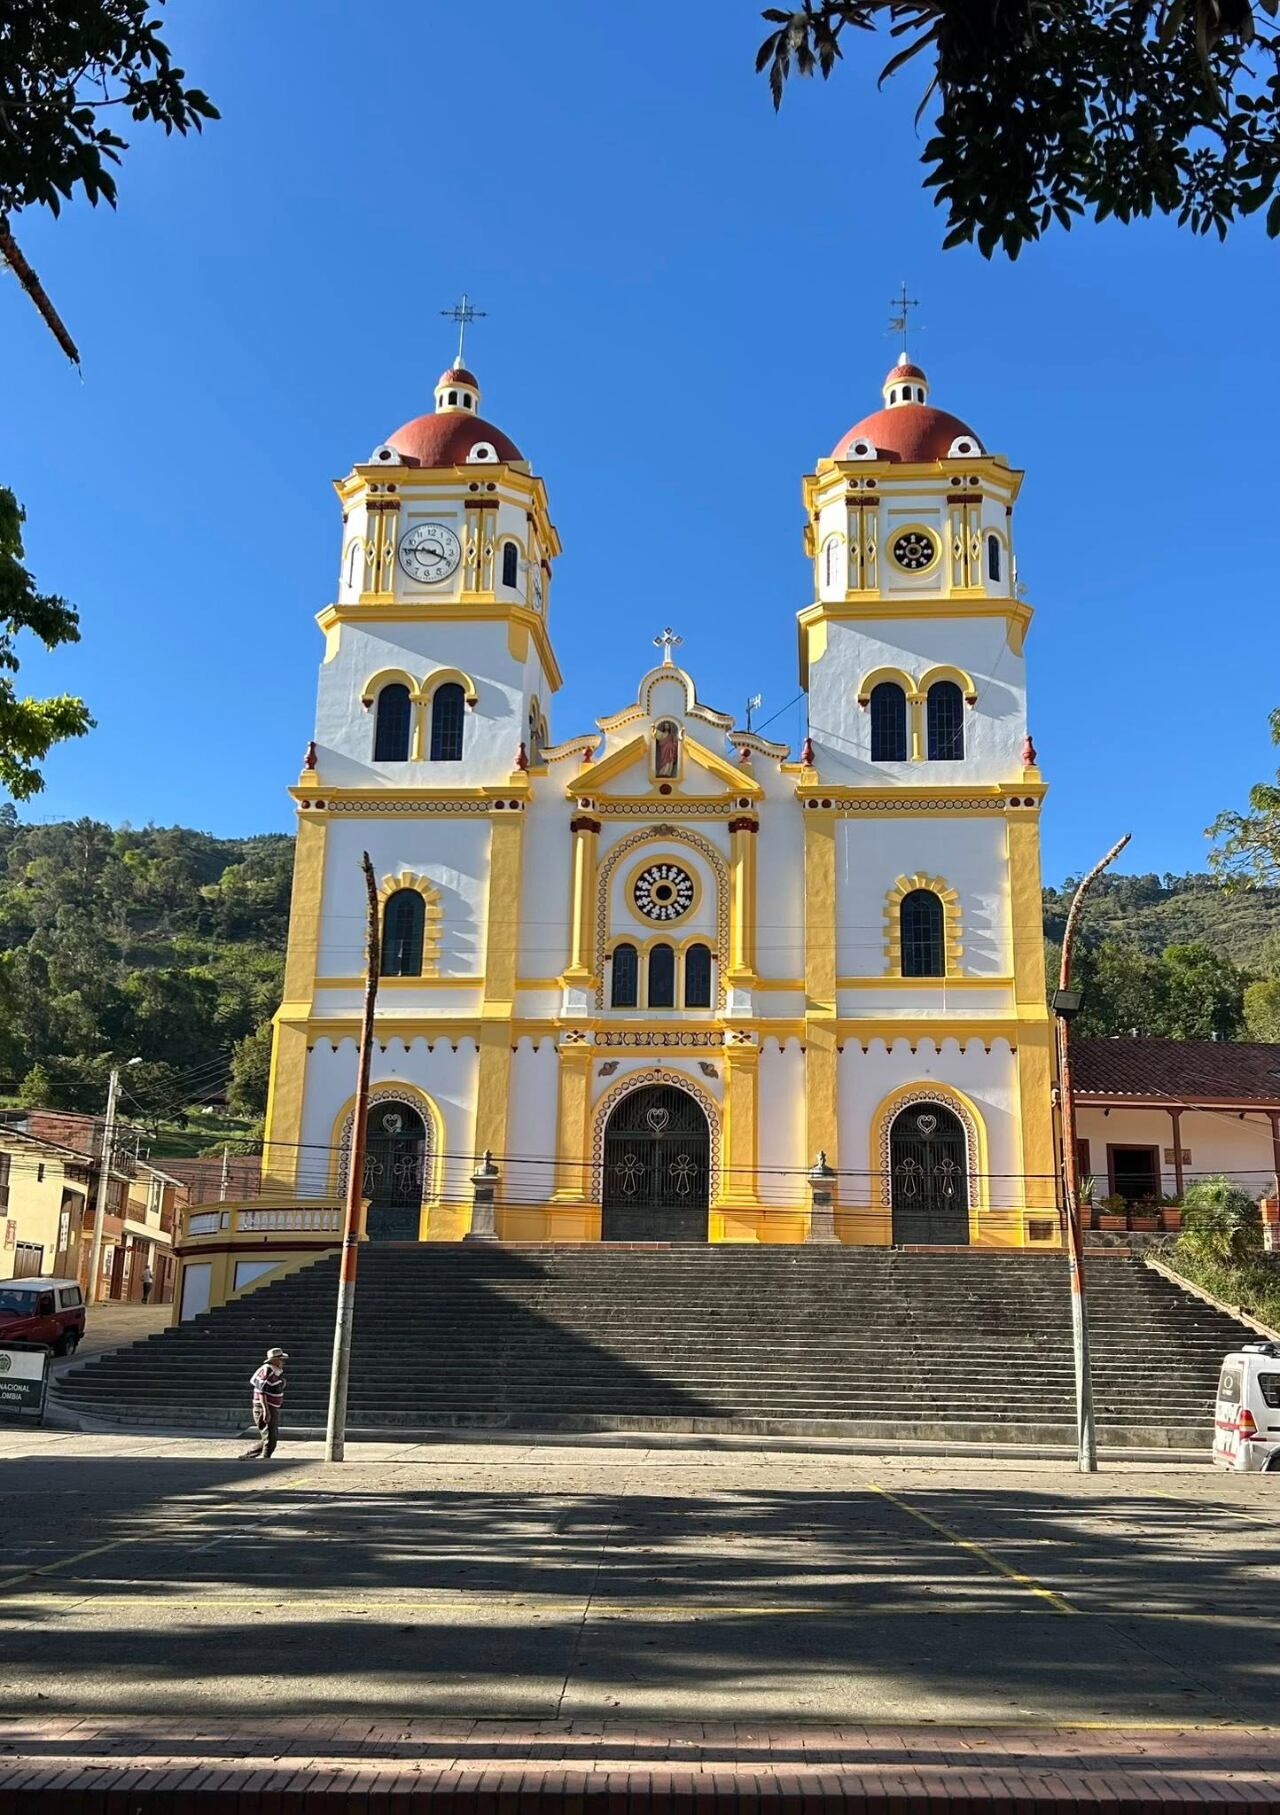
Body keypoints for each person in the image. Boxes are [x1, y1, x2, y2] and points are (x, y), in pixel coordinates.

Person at [242, 1346, 288, 1460]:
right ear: (275, 1360)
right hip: (265, 1407)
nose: (283, 1362)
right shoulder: (267, 1370)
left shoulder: (273, 1371)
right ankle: (265, 1458)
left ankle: (250, 1454)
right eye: (281, 1359)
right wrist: (266, 1411)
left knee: (269, 1436)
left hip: (270, 1407)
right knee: (270, 1436)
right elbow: (262, 1391)